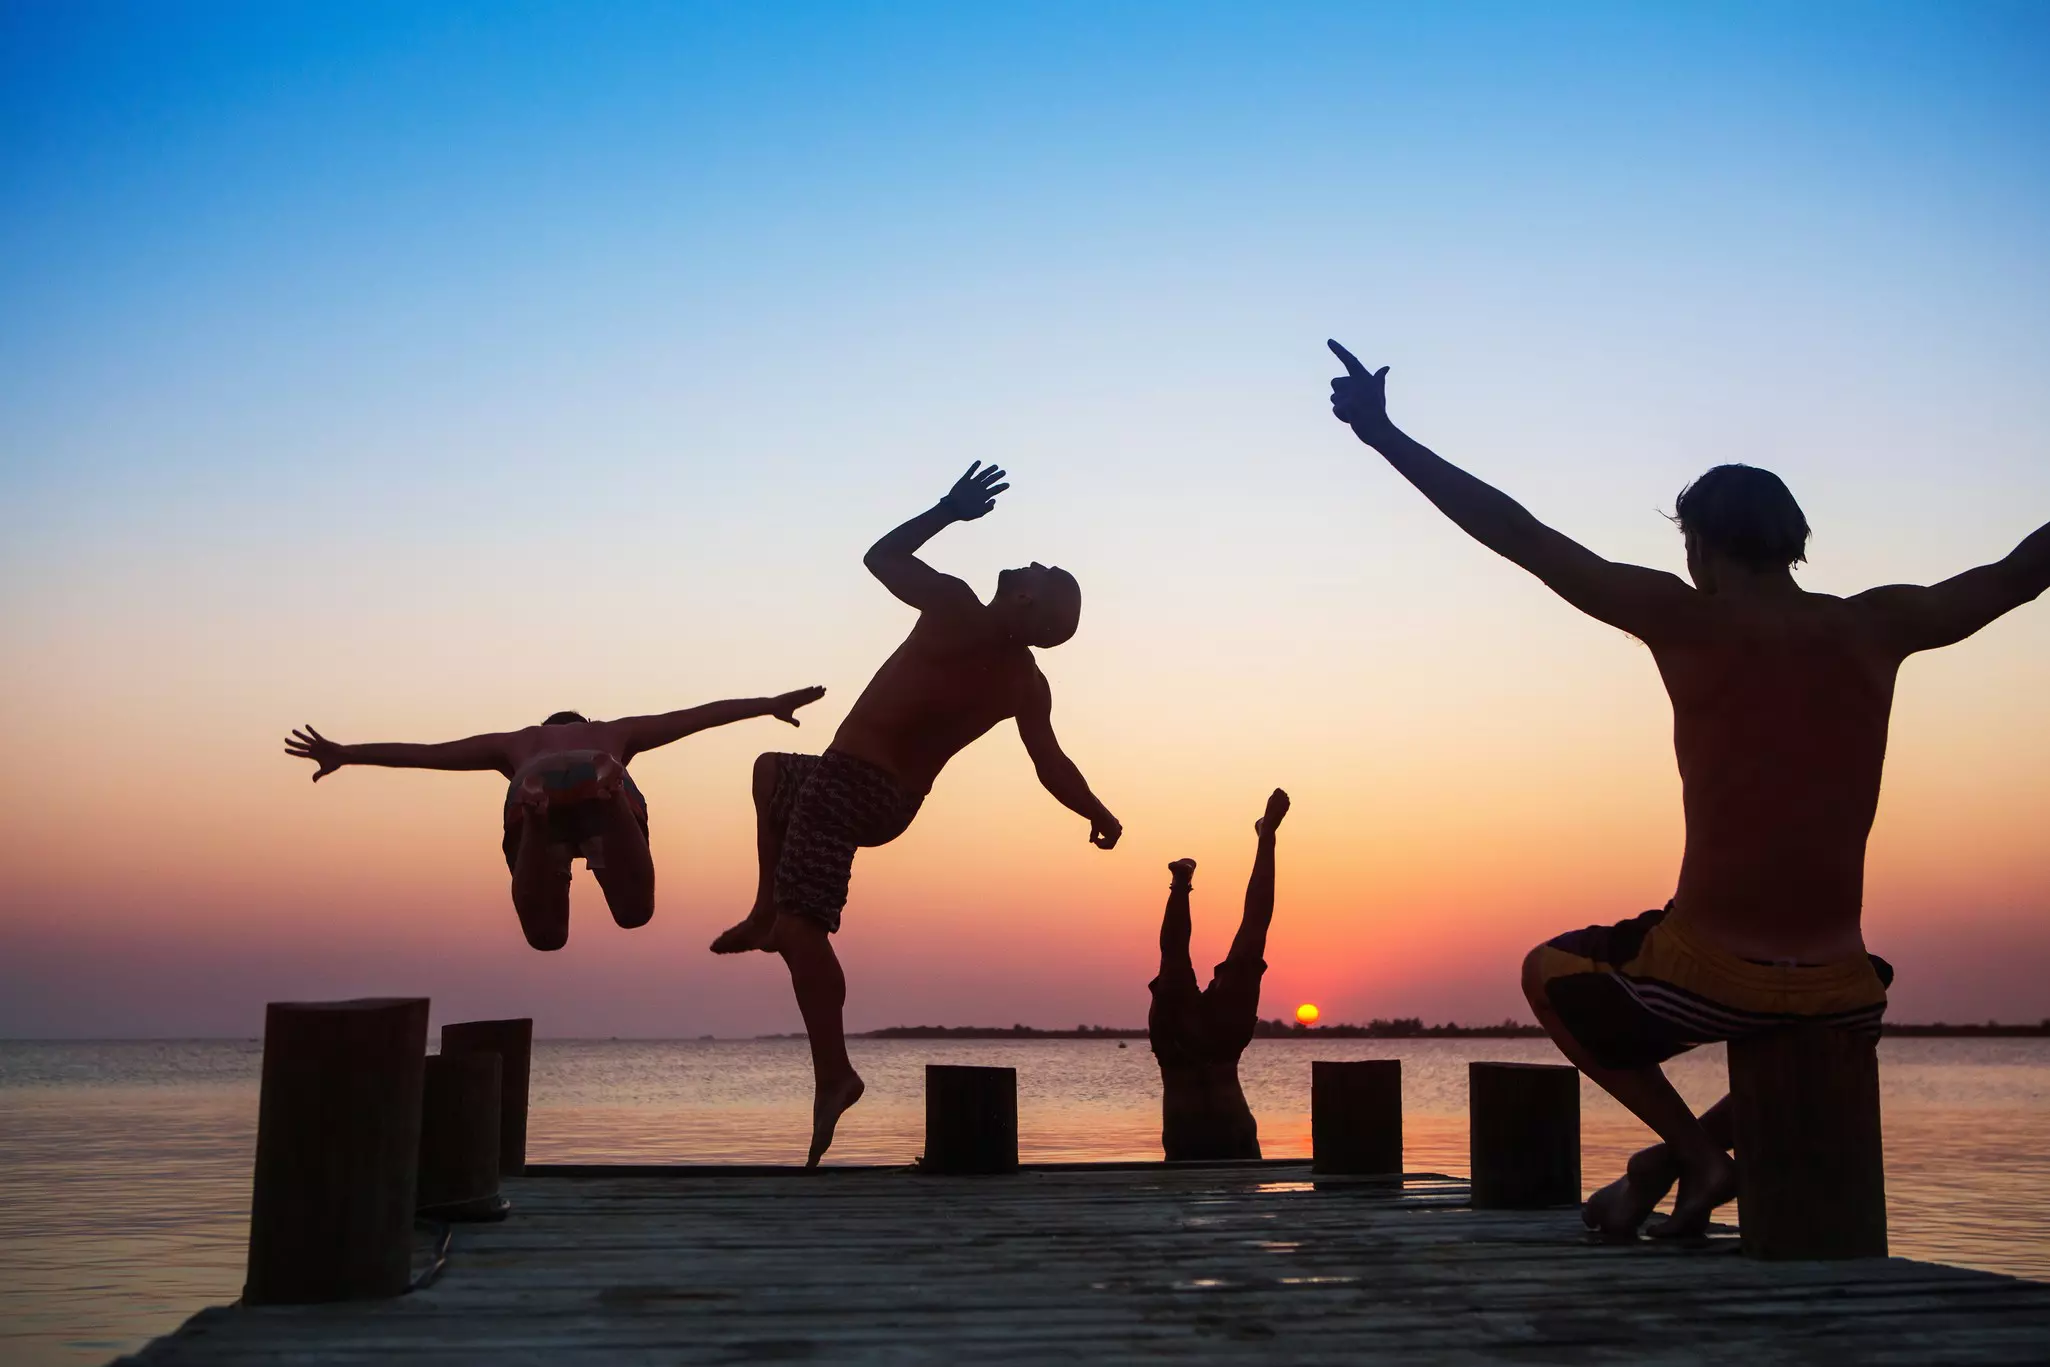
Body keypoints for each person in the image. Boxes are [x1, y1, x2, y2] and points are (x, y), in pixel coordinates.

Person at [1327, 338, 2050, 1238]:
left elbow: (1521, 536)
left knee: (1547, 972)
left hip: (1704, 974)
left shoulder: (1682, 615)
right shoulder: (1882, 624)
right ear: (1794, 543)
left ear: (1699, 543)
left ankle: (1694, 1155)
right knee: (1803, 1023)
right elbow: (2021, 573)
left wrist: (1385, 436)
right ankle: (1666, 1168)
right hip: (1844, 988)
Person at [711, 462, 1122, 1165]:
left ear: (1027, 600)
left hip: (852, 783)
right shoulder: (1026, 683)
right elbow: (1050, 764)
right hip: (891, 800)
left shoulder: (958, 605)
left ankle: (834, 1072)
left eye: (1038, 568)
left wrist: (946, 510)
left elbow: (881, 558)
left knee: (801, 926)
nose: (1026, 558)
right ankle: (761, 910)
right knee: (773, 772)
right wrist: (1096, 810)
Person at [283, 688, 825, 951]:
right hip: (602, 774)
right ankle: (609, 800)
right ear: (585, 722)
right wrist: (767, 703)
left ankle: (543, 824)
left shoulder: (518, 743)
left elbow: (429, 751)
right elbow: (694, 718)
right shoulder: (614, 731)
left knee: (546, 937)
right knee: (634, 913)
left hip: (531, 785)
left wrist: (346, 752)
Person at [1151, 788, 1290, 1161]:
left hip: (1183, 1053)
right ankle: (1266, 838)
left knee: (1179, 958)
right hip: (1218, 1049)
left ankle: (1182, 882)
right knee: (1249, 937)